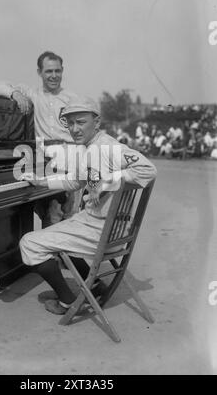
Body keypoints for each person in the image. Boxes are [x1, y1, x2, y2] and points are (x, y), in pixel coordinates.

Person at [18, 96, 157, 315]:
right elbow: (74, 181)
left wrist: (108, 181)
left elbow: (149, 169)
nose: (74, 129)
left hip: (102, 234)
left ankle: (67, 301)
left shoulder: (108, 147)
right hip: (109, 230)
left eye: (80, 122)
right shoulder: (92, 147)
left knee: (29, 242)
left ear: (97, 122)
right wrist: (40, 180)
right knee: (62, 226)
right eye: (70, 123)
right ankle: (92, 285)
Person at [0, 51, 82, 226]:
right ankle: (51, 252)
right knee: (52, 214)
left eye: (57, 71)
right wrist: (15, 95)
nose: (54, 76)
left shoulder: (73, 99)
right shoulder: (32, 93)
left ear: (62, 71)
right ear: (39, 72)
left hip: (72, 157)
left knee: (71, 215)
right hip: (47, 160)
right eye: (49, 71)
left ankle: (66, 252)